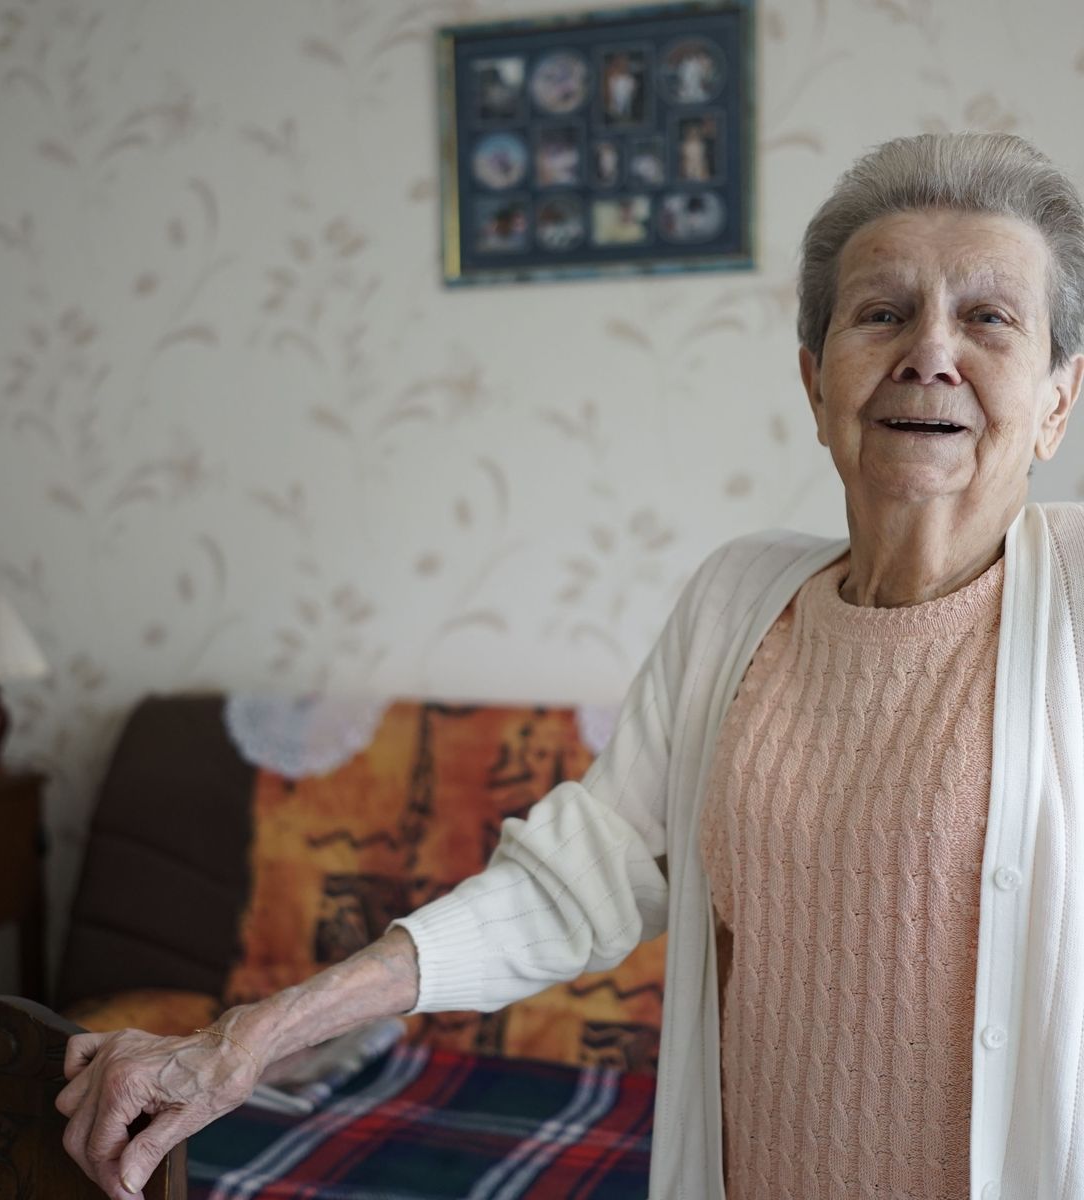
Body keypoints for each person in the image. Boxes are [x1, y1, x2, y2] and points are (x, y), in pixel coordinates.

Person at [57, 130, 1084, 1200]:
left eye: (988, 319)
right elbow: (575, 879)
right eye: (880, 311)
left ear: (1058, 399)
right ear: (814, 377)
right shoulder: (740, 600)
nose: (929, 351)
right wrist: (254, 1037)